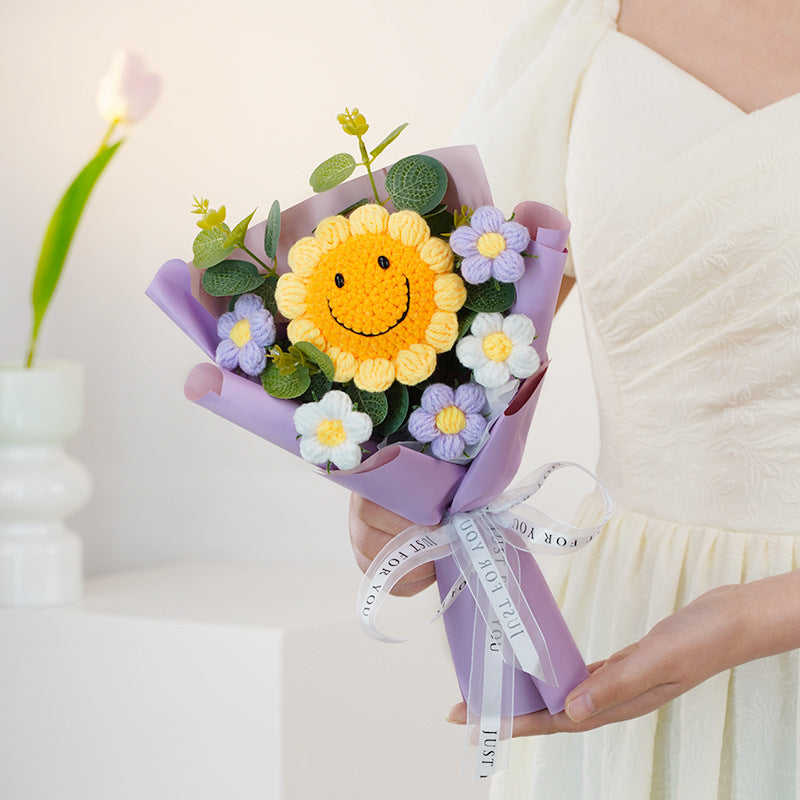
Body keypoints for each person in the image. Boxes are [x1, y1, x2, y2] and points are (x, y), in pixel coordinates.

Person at [350, 0, 800, 797]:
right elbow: (472, 358)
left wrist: (758, 614)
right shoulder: (578, 32)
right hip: (637, 613)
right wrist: (405, 491)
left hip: (693, 628)